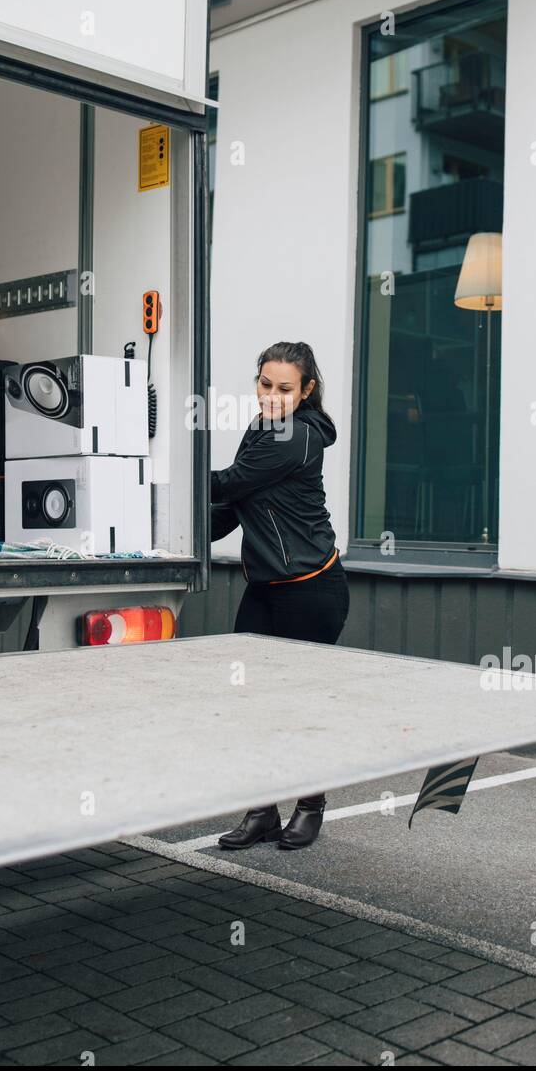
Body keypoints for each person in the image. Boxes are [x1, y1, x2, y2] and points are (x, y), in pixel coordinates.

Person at [210, 341, 350, 851]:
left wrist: (167, 483)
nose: (271, 397)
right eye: (264, 385)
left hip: (311, 589)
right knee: (249, 702)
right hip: (266, 588)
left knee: (299, 705)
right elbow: (232, 504)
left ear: (306, 390)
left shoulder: (296, 435)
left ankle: (310, 806)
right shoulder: (262, 430)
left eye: (284, 389)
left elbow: (228, 482)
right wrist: (182, 532)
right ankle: (262, 810)